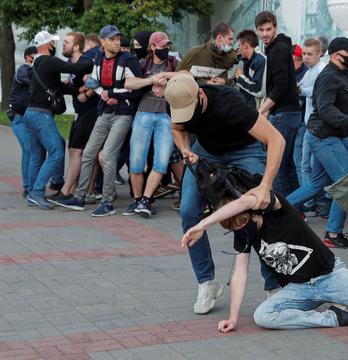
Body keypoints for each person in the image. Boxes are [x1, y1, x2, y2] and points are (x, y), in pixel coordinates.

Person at [180, 186, 348, 332]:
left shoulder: (278, 210)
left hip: (331, 276)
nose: (239, 228)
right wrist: (233, 318)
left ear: (252, 211)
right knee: (263, 316)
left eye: (240, 222)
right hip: (301, 289)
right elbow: (240, 273)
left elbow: (246, 201)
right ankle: (336, 317)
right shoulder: (244, 235)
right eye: (233, 227)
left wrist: (202, 224)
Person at [164, 73, 285, 314]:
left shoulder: (230, 103)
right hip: (206, 151)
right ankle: (206, 283)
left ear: (199, 94)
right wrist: (185, 149)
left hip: (245, 148)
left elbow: (276, 140)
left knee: (260, 210)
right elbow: (177, 128)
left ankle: (274, 286)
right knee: (188, 210)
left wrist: (265, 186)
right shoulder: (176, 99)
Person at [286, 37, 348, 249]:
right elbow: (324, 109)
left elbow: (335, 107)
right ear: (336, 56)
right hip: (324, 136)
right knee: (345, 184)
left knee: (316, 183)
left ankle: (275, 208)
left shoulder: (339, 75)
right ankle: (333, 233)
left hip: (325, 135)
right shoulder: (330, 77)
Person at [56, 25, 143, 216]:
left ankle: (107, 202)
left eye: (118, 39)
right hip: (104, 113)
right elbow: (94, 82)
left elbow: (138, 88)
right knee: (88, 154)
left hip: (123, 114)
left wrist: (114, 95)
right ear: (103, 42)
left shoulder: (128, 59)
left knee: (109, 156)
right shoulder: (99, 59)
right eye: (112, 39)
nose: (117, 42)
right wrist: (100, 94)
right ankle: (79, 198)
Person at [23, 30, 93, 209]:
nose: (56, 45)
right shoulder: (49, 60)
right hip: (41, 115)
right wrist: (95, 61)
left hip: (30, 114)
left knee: (39, 154)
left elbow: (57, 88)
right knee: (56, 152)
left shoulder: (37, 63)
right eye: (54, 43)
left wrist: (78, 90)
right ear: (48, 45)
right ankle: (38, 192)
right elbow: (75, 68)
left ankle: (31, 190)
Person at [119, 31, 179, 218]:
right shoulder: (143, 64)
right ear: (152, 47)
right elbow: (128, 83)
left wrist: (168, 82)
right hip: (144, 113)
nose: (165, 49)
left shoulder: (174, 63)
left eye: (167, 45)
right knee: (136, 162)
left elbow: (186, 76)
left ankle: (146, 200)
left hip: (166, 116)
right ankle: (138, 200)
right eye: (161, 46)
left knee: (161, 162)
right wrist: (151, 80)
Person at [47, 32, 100, 205]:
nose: (63, 45)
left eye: (67, 43)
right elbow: (74, 86)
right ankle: (72, 189)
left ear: (76, 47)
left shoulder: (85, 63)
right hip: (80, 113)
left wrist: (87, 91)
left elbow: (97, 80)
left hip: (91, 112)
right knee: (74, 151)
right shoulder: (71, 64)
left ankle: (68, 191)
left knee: (78, 151)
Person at [255, 11, 302, 197]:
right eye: (261, 30)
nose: (265, 33)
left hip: (285, 114)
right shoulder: (277, 47)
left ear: (275, 28)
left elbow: (281, 86)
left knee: (278, 164)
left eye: (268, 29)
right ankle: (295, 209)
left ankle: (283, 211)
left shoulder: (279, 49)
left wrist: (261, 110)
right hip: (286, 112)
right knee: (286, 164)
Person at [296, 37, 327, 192]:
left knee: (308, 164)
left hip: (316, 125)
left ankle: (310, 200)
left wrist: (301, 90)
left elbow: (317, 92)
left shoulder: (321, 70)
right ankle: (311, 201)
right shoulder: (310, 71)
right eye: (304, 54)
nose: (306, 57)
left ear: (318, 54)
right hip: (310, 123)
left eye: (309, 54)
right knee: (307, 164)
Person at [8, 46, 37, 197]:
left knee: (36, 151)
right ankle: (27, 187)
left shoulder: (34, 70)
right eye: (34, 57)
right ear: (27, 58)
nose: (37, 60)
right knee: (29, 149)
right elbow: (35, 81)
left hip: (30, 117)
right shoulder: (23, 70)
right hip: (19, 118)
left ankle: (34, 184)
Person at [234, 29, 266, 108]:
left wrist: (240, 78)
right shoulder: (246, 60)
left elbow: (259, 91)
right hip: (246, 107)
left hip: (257, 110)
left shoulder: (260, 60)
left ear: (245, 45)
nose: (239, 49)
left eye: (239, 46)